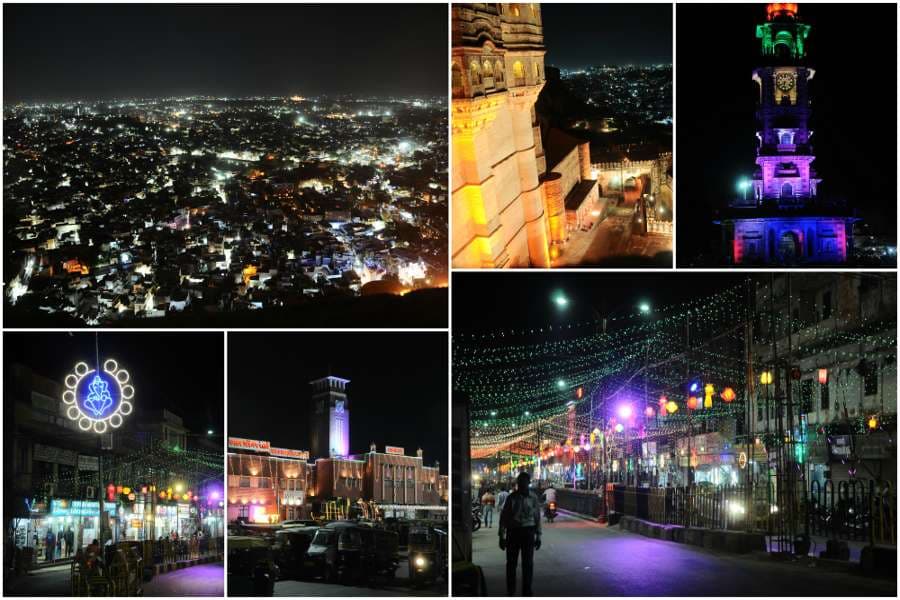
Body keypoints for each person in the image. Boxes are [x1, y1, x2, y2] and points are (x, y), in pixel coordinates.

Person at [498, 472, 542, 596]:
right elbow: (504, 518)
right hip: (514, 532)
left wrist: (538, 536)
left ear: (528, 483)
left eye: (524, 483)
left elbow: (537, 517)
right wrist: (501, 536)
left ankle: (527, 590)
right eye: (520, 483)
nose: (522, 485)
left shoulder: (533, 498)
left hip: (528, 532)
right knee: (511, 564)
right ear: (518, 484)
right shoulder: (511, 498)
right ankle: (511, 590)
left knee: (528, 563)